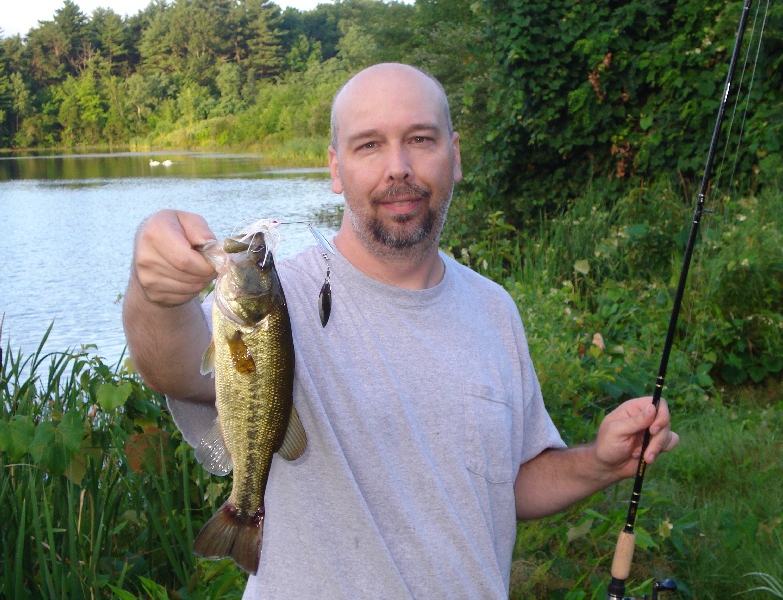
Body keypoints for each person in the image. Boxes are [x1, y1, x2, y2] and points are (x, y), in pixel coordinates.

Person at [123, 63, 678, 599]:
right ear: (336, 169)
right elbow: (170, 366)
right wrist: (155, 295)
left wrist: (600, 462)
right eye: (369, 145)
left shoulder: (494, 309)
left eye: (420, 139)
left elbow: (507, 486)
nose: (398, 168)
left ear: (454, 156)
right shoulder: (279, 299)